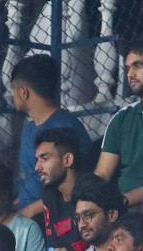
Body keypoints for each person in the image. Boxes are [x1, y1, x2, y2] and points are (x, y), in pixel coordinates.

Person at [12, 54, 96, 212]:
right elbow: (30, 184)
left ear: (24, 91)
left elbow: (72, 186)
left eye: (13, 88)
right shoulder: (28, 129)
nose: (11, 94)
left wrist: (28, 211)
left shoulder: (64, 127)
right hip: (24, 209)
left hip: (52, 212)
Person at [96, 42, 143, 207]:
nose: (131, 74)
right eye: (127, 69)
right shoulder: (121, 118)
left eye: (138, 66)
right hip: (121, 205)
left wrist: (124, 201)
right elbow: (103, 173)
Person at [36, 129, 103, 251]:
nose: (38, 167)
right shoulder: (50, 194)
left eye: (45, 159)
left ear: (68, 160)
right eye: (37, 160)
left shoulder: (92, 192)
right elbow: (60, 249)